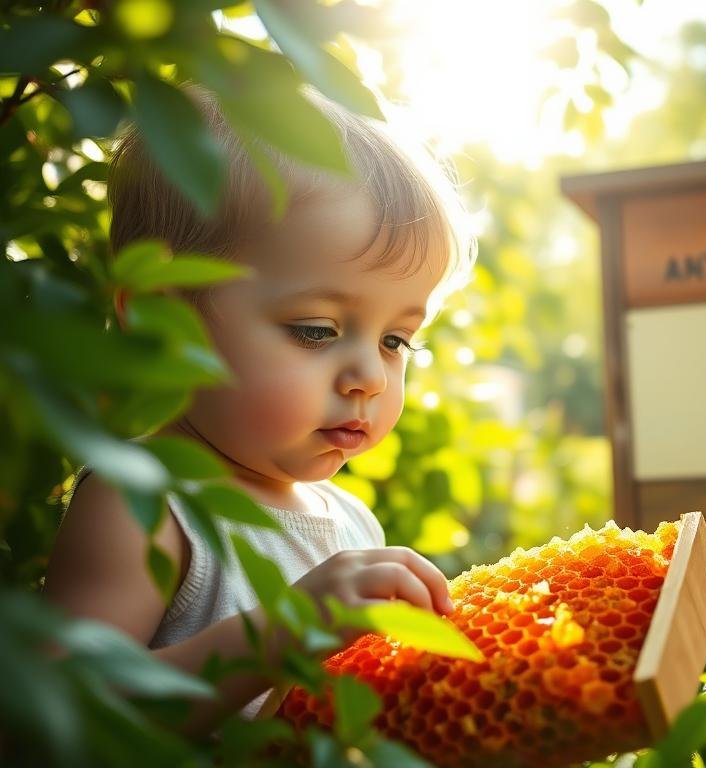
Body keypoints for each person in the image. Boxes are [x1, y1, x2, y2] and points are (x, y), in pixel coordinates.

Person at [42, 85, 476, 733]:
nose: (368, 377)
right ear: (165, 318)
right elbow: (59, 724)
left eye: (395, 340)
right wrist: (279, 632)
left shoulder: (353, 526)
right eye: (316, 329)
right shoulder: (146, 504)